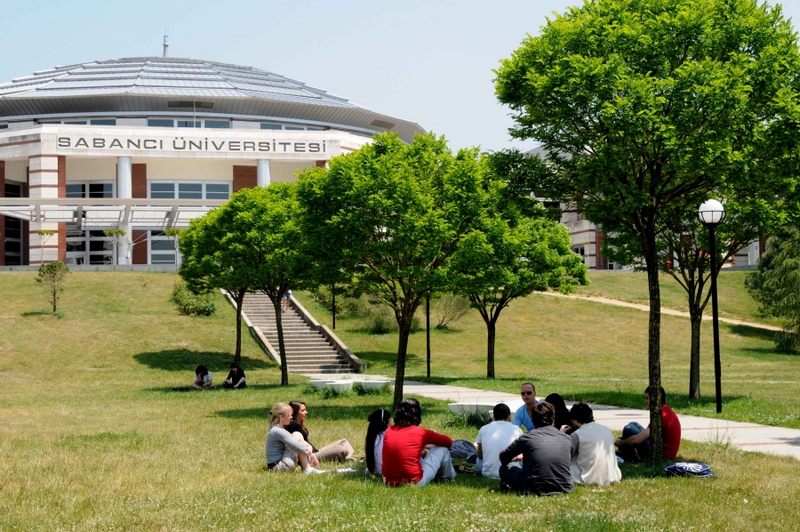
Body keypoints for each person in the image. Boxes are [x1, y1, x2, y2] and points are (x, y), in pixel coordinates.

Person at [499, 402, 573, 496]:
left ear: (532, 419)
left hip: (534, 488)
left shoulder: (527, 437)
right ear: (553, 419)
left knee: (505, 469)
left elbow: (504, 457)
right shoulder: (566, 438)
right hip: (564, 487)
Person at [382, 398, 457, 486]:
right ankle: (448, 478)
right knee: (442, 449)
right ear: (417, 414)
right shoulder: (421, 433)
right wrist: (430, 444)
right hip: (413, 482)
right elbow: (448, 442)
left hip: (388, 481)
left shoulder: (388, 431)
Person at [615, 386, 681, 461]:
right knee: (633, 424)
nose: (645, 401)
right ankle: (625, 454)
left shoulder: (661, 415)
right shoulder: (665, 410)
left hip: (662, 456)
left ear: (656, 399)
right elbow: (647, 433)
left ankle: (627, 456)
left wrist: (621, 442)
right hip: (663, 450)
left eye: (647, 398)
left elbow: (637, 440)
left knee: (628, 429)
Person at [569, 402, 621, 487]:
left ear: (575, 421)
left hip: (589, 478)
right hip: (612, 475)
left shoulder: (577, 434)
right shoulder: (607, 430)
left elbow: (565, 454)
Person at [286, 400, 354, 462]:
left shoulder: (296, 423)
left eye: (305, 410)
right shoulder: (293, 424)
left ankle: (348, 457)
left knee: (344, 441)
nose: (306, 412)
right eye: (303, 411)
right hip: (311, 456)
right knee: (344, 449)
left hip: (316, 451)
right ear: (294, 413)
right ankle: (348, 457)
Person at [265, 402, 323, 474]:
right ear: (281, 417)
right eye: (289, 415)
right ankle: (307, 469)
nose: (291, 417)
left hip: (278, 466)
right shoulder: (277, 431)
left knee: (298, 435)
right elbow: (295, 445)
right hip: (280, 467)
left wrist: (307, 446)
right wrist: (309, 452)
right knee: (297, 434)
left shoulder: (277, 429)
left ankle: (307, 468)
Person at [475, 403, 522, 479]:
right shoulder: (516, 429)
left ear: (493, 417)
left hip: (487, 473)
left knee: (477, 459)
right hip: (510, 471)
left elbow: (480, 454)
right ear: (509, 416)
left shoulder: (483, 428)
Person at [365, 408, 392, 475]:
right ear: (386, 422)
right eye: (390, 419)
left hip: (376, 471)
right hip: (388, 472)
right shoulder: (390, 437)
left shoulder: (372, 438)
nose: (392, 421)